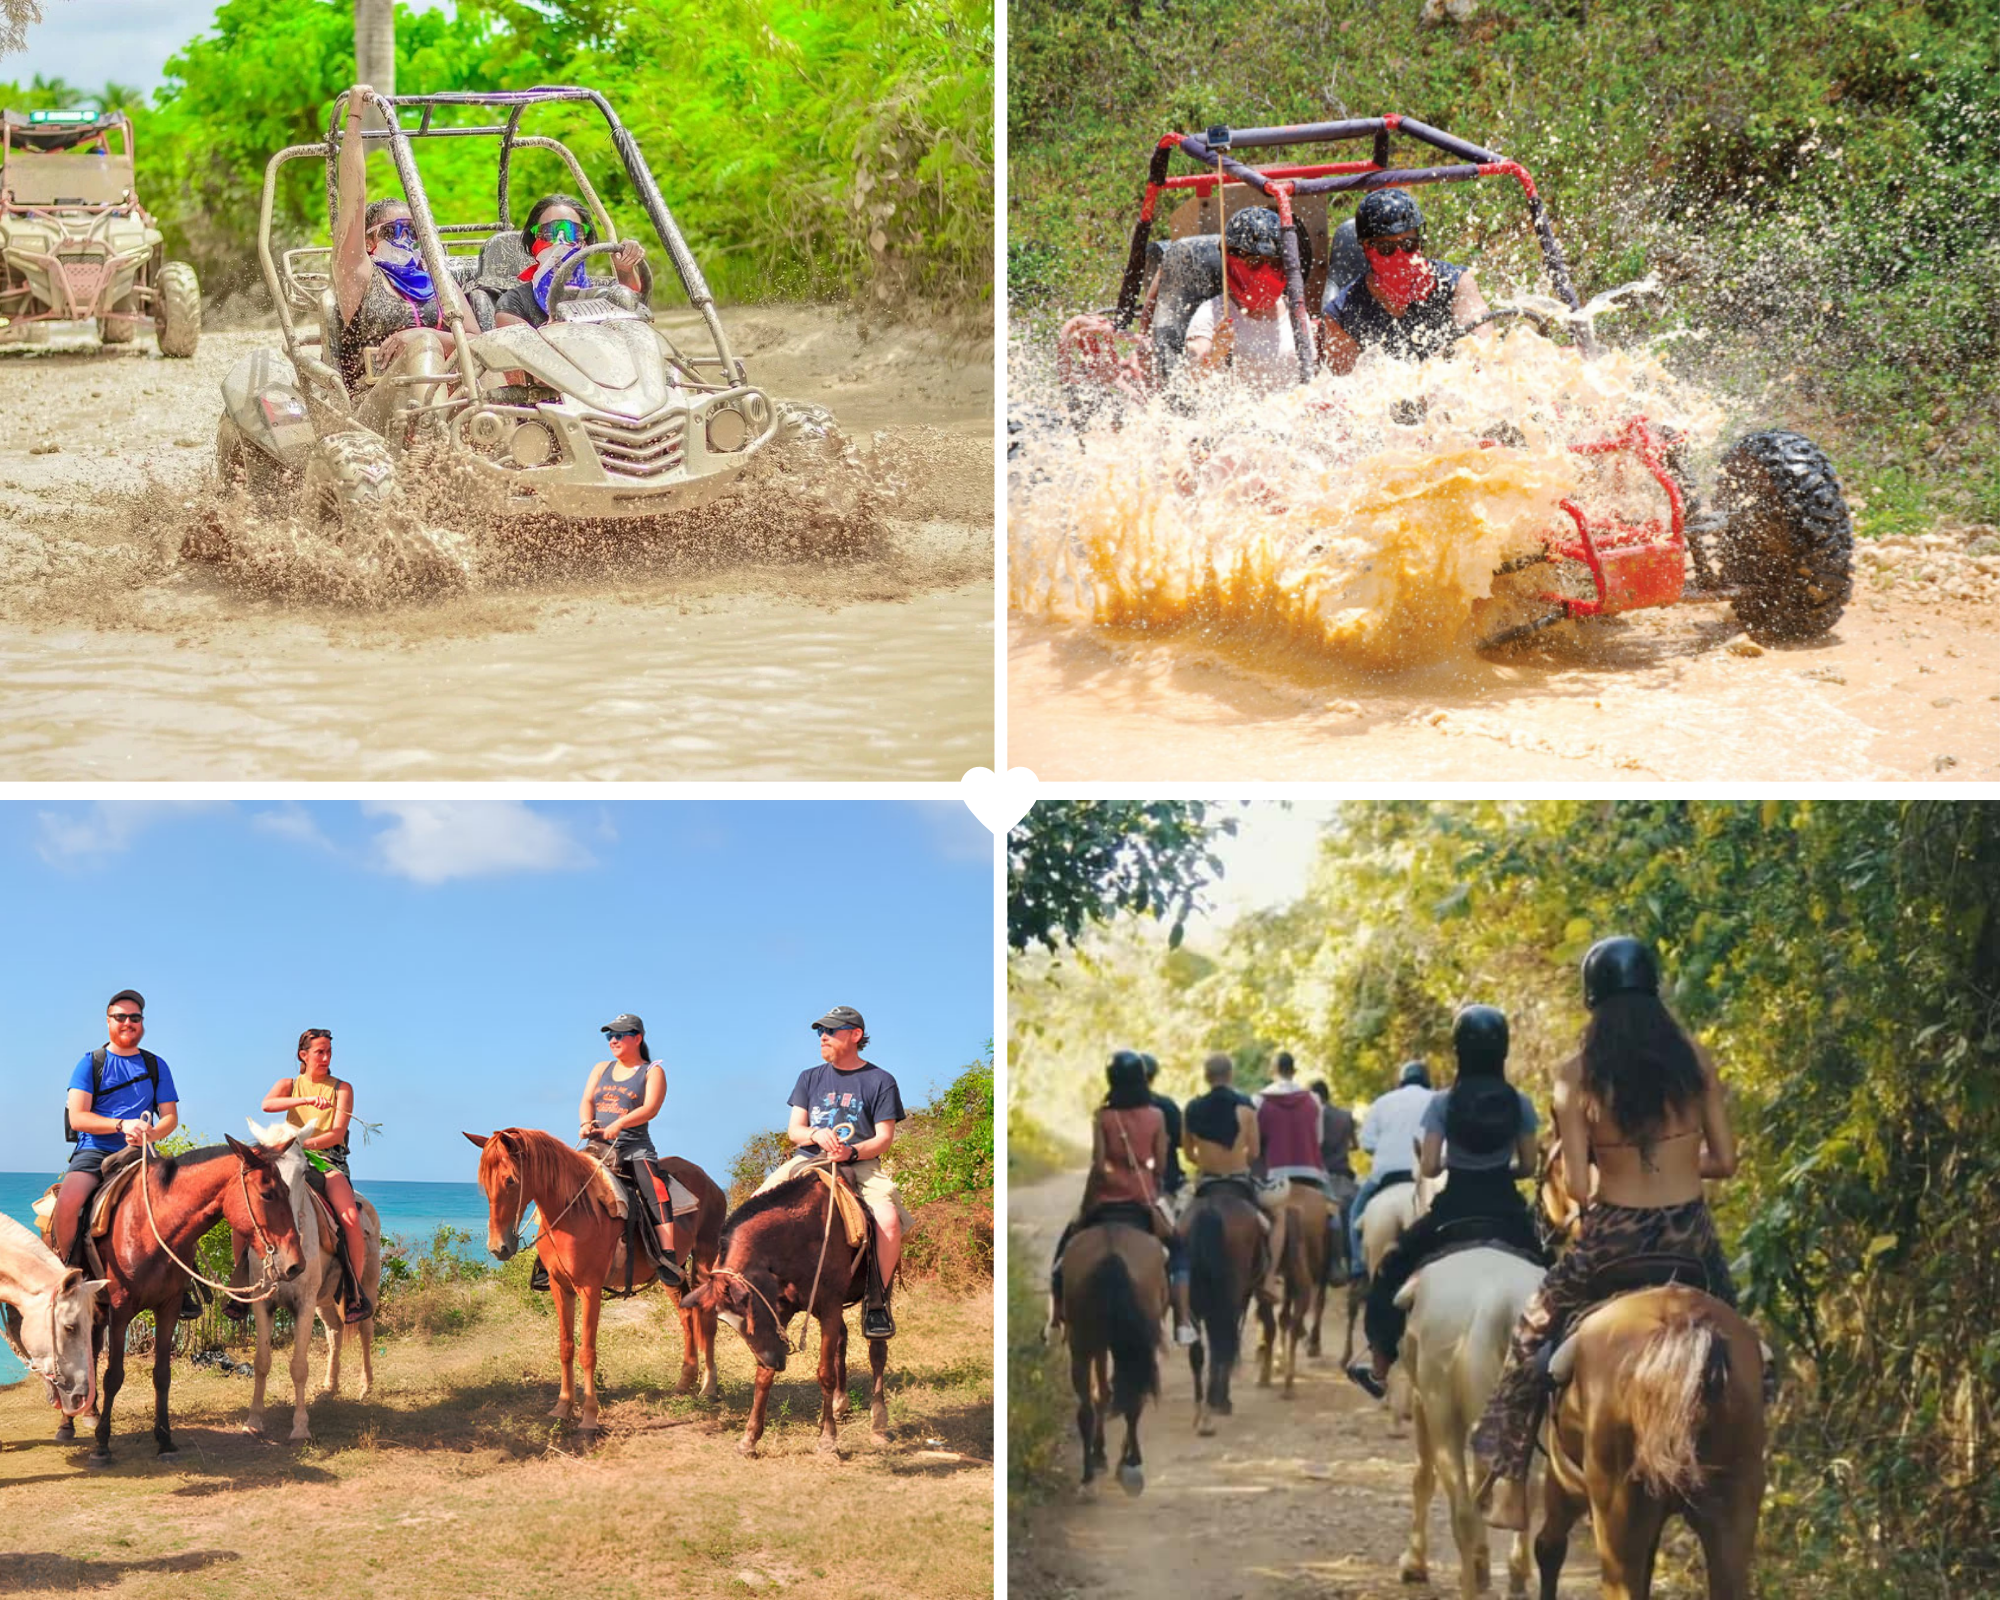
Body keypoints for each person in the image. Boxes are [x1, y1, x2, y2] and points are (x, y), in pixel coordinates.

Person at [1471, 938, 1741, 1531]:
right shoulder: (1695, 1061)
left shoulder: (1576, 1076)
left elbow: (1577, 1186)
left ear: (1593, 1000)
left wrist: (1617, 1166)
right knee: (1747, 1339)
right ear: (1655, 992)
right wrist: (1673, 1163)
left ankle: (1511, 1484)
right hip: (1691, 1239)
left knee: (1529, 1335)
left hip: (1611, 1243)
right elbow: (1725, 1160)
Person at [1348, 1005, 1545, 1399]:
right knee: (1554, 1271)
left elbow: (1432, 1166)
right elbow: (1527, 1166)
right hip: (1506, 1209)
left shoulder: (1443, 1102)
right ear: (1503, 1049)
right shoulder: (1519, 1102)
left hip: (1453, 1209)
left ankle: (1381, 1365)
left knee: (1390, 1270)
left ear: (1458, 1049)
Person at [756, 1007, 915, 1340]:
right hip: (807, 1161)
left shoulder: (881, 1080)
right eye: (819, 1032)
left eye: (831, 1030)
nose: (823, 1037)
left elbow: (884, 1139)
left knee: (887, 1220)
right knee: (754, 1208)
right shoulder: (809, 1077)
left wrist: (851, 1152)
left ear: (855, 1034)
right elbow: (794, 1130)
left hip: (860, 1164)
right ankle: (753, 1294)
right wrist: (814, 1135)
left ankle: (877, 1303)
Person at [56, 990, 197, 1317]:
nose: (128, 1022)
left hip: (142, 1154)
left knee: (185, 1205)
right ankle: (69, 1273)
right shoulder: (90, 1063)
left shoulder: (156, 1065)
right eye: (120, 1017)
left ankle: (187, 1281)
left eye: (134, 1017)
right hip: (95, 1149)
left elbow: (170, 1117)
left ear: (142, 1024)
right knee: (68, 1203)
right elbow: (78, 1117)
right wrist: (121, 1125)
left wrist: (151, 1132)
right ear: (108, 1022)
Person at [1048, 1052, 1196, 1347]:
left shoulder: (1103, 1117)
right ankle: (1182, 1321)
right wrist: (1150, 1190)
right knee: (1178, 1251)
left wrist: (1089, 1203)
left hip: (1106, 1200)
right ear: (1143, 1078)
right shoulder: (1156, 1116)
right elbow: (1163, 1165)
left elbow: (1099, 1165)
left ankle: (1055, 1318)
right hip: (1143, 1201)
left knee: (1064, 1251)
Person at [330, 84, 456, 431]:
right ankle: (435, 450)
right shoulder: (360, 277)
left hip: (454, 404)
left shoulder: (441, 284)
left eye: (414, 232)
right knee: (426, 344)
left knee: (436, 345)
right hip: (373, 413)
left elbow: (477, 343)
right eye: (394, 231)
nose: (406, 240)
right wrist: (354, 121)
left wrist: (421, 338)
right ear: (369, 242)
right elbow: (352, 198)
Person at [254, 1028, 374, 1322]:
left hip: (326, 1161)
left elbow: (336, 1134)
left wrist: (302, 1144)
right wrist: (304, 1102)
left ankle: (353, 1292)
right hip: (287, 1157)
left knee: (350, 1221)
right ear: (303, 1055)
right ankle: (240, 1282)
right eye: (319, 1051)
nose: (325, 1057)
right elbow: (267, 1105)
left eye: (329, 1052)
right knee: (246, 1205)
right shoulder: (289, 1084)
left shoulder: (341, 1089)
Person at [1321, 187, 1490, 375]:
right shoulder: (1343, 315)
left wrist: (1448, 362)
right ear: (1368, 248)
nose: (1400, 256)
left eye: (1409, 245)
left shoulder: (1455, 284)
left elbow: (1483, 349)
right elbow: (1345, 389)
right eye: (1387, 248)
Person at [578, 1013, 692, 1289]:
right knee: (562, 1185)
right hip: (596, 1147)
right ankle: (549, 1260)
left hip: (634, 1149)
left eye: (619, 1035)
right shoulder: (600, 1068)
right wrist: (585, 1123)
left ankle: (667, 1256)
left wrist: (620, 1124)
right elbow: (585, 1100)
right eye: (609, 1036)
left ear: (637, 1038)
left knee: (655, 1190)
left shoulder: (652, 1071)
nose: (613, 1040)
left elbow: (650, 1108)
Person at [1181, 1052, 1286, 1298]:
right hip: (1239, 1181)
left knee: (1176, 1227)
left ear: (1206, 1077)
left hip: (1206, 1182)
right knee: (1278, 1217)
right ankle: (1270, 1279)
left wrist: (1206, 1161)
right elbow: (1256, 1151)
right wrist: (1237, 1161)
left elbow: (1187, 1153)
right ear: (1230, 1075)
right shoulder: (1246, 1107)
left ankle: (1175, 1280)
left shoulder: (1191, 1108)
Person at [1183, 207, 1310, 392]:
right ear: (1230, 260)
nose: (1265, 274)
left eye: (1274, 263)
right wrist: (1215, 353)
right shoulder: (1212, 313)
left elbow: (1313, 380)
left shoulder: (1296, 314)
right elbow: (1188, 380)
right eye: (1254, 262)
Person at [493, 193, 650, 331]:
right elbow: (520, 358)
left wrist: (626, 268)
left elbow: (635, 315)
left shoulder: (605, 291)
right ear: (533, 241)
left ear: (585, 242)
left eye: (572, 232)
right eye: (549, 232)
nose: (561, 241)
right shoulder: (513, 304)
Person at [1347, 1058, 1436, 1278]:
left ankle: (1358, 1264)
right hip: (1425, 1177)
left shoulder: (1383, 1102)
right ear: (1427, 1081)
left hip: (1385, 1176)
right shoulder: (1438, 1100)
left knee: (1355, 1213)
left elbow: (1367, 1143)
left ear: (1401, 1081)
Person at [1310, 1076, 1359, 1283]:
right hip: (1344, 1175)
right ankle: (1356, 1266)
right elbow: (1355, 1145)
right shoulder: (1346, 1116)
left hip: (1322, 1177)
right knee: (1356, 1218)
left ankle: (1328, 1264)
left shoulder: (1313, 1117)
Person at [1142, 1053, 1187, 1215]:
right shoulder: (1165, 1105)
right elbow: (1182, 1141)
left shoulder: (1111, 1109)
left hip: (1122, 1185)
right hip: (1165, 1180)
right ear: (1153, 1077)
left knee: (1078, 1222)